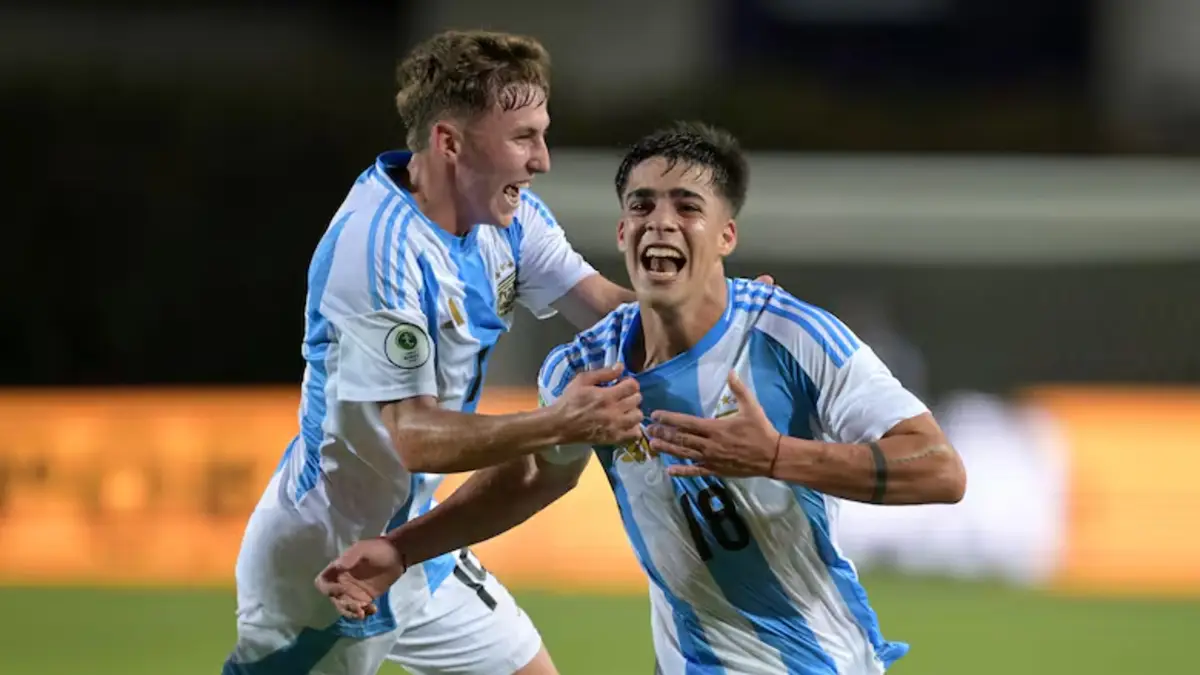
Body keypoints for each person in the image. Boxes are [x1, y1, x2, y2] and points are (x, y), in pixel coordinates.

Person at [315, 121, 968, 674]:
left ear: (726, 236)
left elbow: (940, 468)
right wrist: (402, 549)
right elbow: (534, 478)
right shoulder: (584, 368)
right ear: (622, 233)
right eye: (642, 205)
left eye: (687, 207)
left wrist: (775, 456)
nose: (661, 222)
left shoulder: (788, 334)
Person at [224, 29, 669, 675]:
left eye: (542, 135)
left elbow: (608, 307)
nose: (542, 160)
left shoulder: (510, 219)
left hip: (418, 542)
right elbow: (414, 438)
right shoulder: (377, 249)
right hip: (332, 561)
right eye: (523, 138)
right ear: (449, 142)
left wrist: (720, 313)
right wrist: (562, 422)